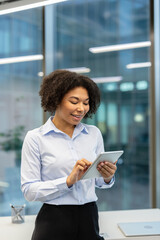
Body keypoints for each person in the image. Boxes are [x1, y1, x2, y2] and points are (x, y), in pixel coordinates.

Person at [21, 70, 117, 240]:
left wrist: (107, 177)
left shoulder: (93, 134)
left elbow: (100, 182)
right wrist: (68, 181)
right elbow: (29, 190)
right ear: (56, 99)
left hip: (89, 216)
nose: (81, 109)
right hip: (54, 220)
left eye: (86, 103)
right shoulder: (36, 138)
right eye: (74, 101)